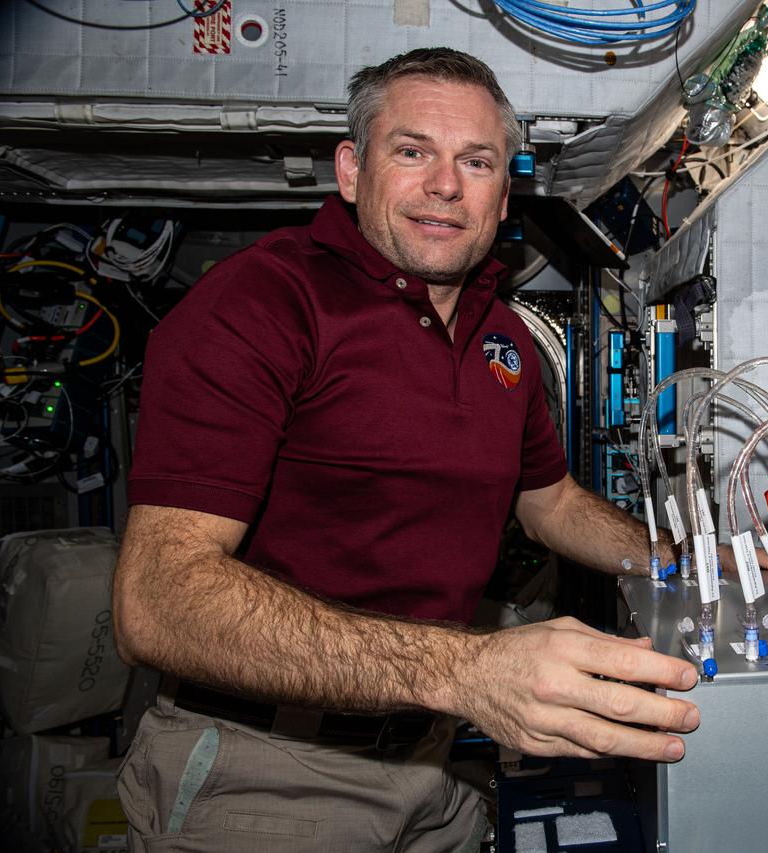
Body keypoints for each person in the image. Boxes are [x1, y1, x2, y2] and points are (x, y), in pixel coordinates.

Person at [112, 47, 698, 853]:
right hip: (266, 771)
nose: (446, 185)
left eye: (477, 161)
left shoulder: (502, 338)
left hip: (433, 768)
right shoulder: (265, 302)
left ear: (503, 194)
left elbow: (551, 502)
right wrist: (464, 671)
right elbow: (156, 600)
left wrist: (674, 563)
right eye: (413, 151)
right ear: (352, 171)